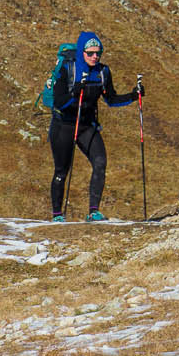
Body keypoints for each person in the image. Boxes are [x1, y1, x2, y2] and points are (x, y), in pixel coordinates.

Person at [50, 31, 141, 222]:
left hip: (86, 126)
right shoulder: (68, 70)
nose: (95, 56)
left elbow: (111, 99)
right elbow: (58, 102)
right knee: (61, 171)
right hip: (64, 125)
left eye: (98, 53)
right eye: (90, 53)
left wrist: (133, 96)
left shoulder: (102, 72)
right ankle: (57, 215)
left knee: (100, 162)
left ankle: (93, 212)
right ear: (82, 52)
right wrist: (74, 94)